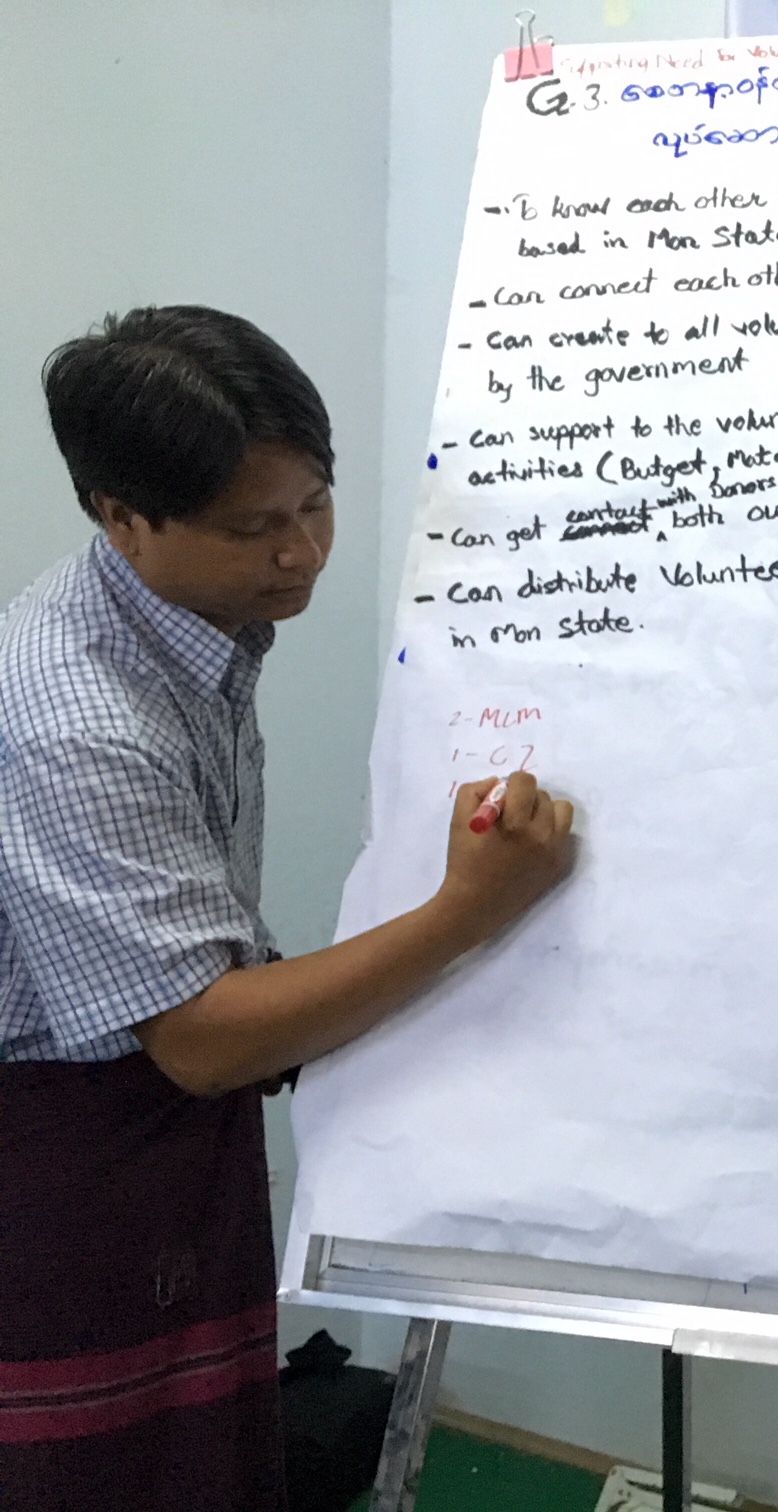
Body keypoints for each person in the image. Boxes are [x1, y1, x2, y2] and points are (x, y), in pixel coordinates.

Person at [0, 307, 577, 1510]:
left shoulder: (188, 623)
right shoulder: (75, 719)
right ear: (121, 517)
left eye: (314, 503)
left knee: (197, 1459)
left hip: (156, 1132)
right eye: (251, 528)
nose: (301, 552)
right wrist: (469, 911)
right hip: (63, 1153)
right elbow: (203, 1040)